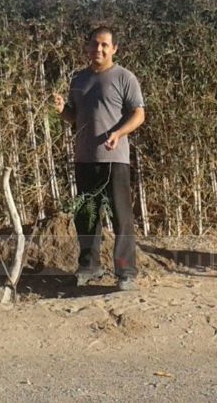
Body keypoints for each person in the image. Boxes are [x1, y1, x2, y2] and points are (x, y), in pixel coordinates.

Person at [52, 26, 146, 291]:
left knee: (121, 217)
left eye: (105, 44)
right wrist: (62, 109)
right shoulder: (79, 80)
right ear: (87, 47)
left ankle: (126, 272)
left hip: (114, 159)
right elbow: (75, 118)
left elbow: (139, 114)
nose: (99, 49)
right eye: (94, 44)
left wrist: (119, 133)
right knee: (87, 217)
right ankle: (89, 266)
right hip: (84, 158)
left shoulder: (124, 77)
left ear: (114, 48)